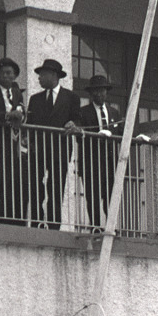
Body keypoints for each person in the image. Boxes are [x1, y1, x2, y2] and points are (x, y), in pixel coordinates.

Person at [25, 58, 80, 227]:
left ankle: (54, 225)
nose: (39, 78)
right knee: (35, 187)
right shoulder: (35, 99)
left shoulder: (71, 97)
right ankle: (36, 222)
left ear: (53, 75)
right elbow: (30, 123)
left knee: (56, 189)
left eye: (42, 75)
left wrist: (73, 124)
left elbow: (77, 120)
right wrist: (29, 140)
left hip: (59, 151)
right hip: (38, 151)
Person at [0, 56, 27, 222]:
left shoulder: (17, 93)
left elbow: (23, 112)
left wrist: (20, 116)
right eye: (3, 73)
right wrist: (6, 116)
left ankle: (11, 219)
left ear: (15, 76)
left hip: (13, 144)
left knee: (12, 182)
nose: (6, 76)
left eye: (10, 73)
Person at [77, 71, 122, 233]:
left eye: (102, 91)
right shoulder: (83, 112)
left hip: (110, 162)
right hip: (91, 162)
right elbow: (79, 136)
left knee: (110, 197)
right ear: (90, 93)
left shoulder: (114, 112)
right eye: (95, 91)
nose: (99, 94)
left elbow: (121, 134)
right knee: (93, 197)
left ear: (106, 92)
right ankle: (95, 226)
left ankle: (111, 227)